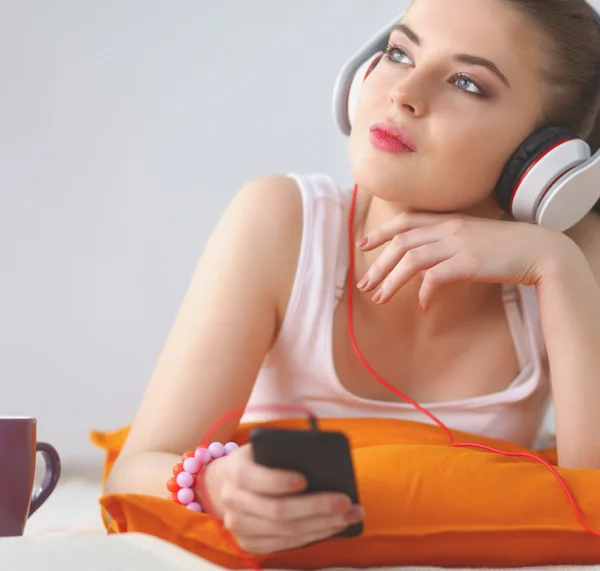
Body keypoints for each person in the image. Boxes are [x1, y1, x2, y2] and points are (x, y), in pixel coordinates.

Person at [106, 0, 600, 555]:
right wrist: (211, 485)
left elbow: (594, 499)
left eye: (466, 82)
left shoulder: (570, 256)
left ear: (545, 160)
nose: (404, 92)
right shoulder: (280, 221)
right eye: (398, 53)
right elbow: (133, 473)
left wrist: (557, 269)